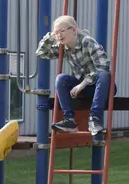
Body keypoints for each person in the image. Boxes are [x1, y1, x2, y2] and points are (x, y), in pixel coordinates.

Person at [35, 15, 115, 143]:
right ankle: (69, 120)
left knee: (104, 75)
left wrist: (83, 83)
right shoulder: (63, 47)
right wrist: (51, 35)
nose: (59, 35)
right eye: (57, 33)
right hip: (83, 88)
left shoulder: (87, 42)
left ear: (73, 30)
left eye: (62, 31)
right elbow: (41, 53)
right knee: (61, 78)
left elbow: (103, 67)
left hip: (101, 87)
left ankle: (95, 118)